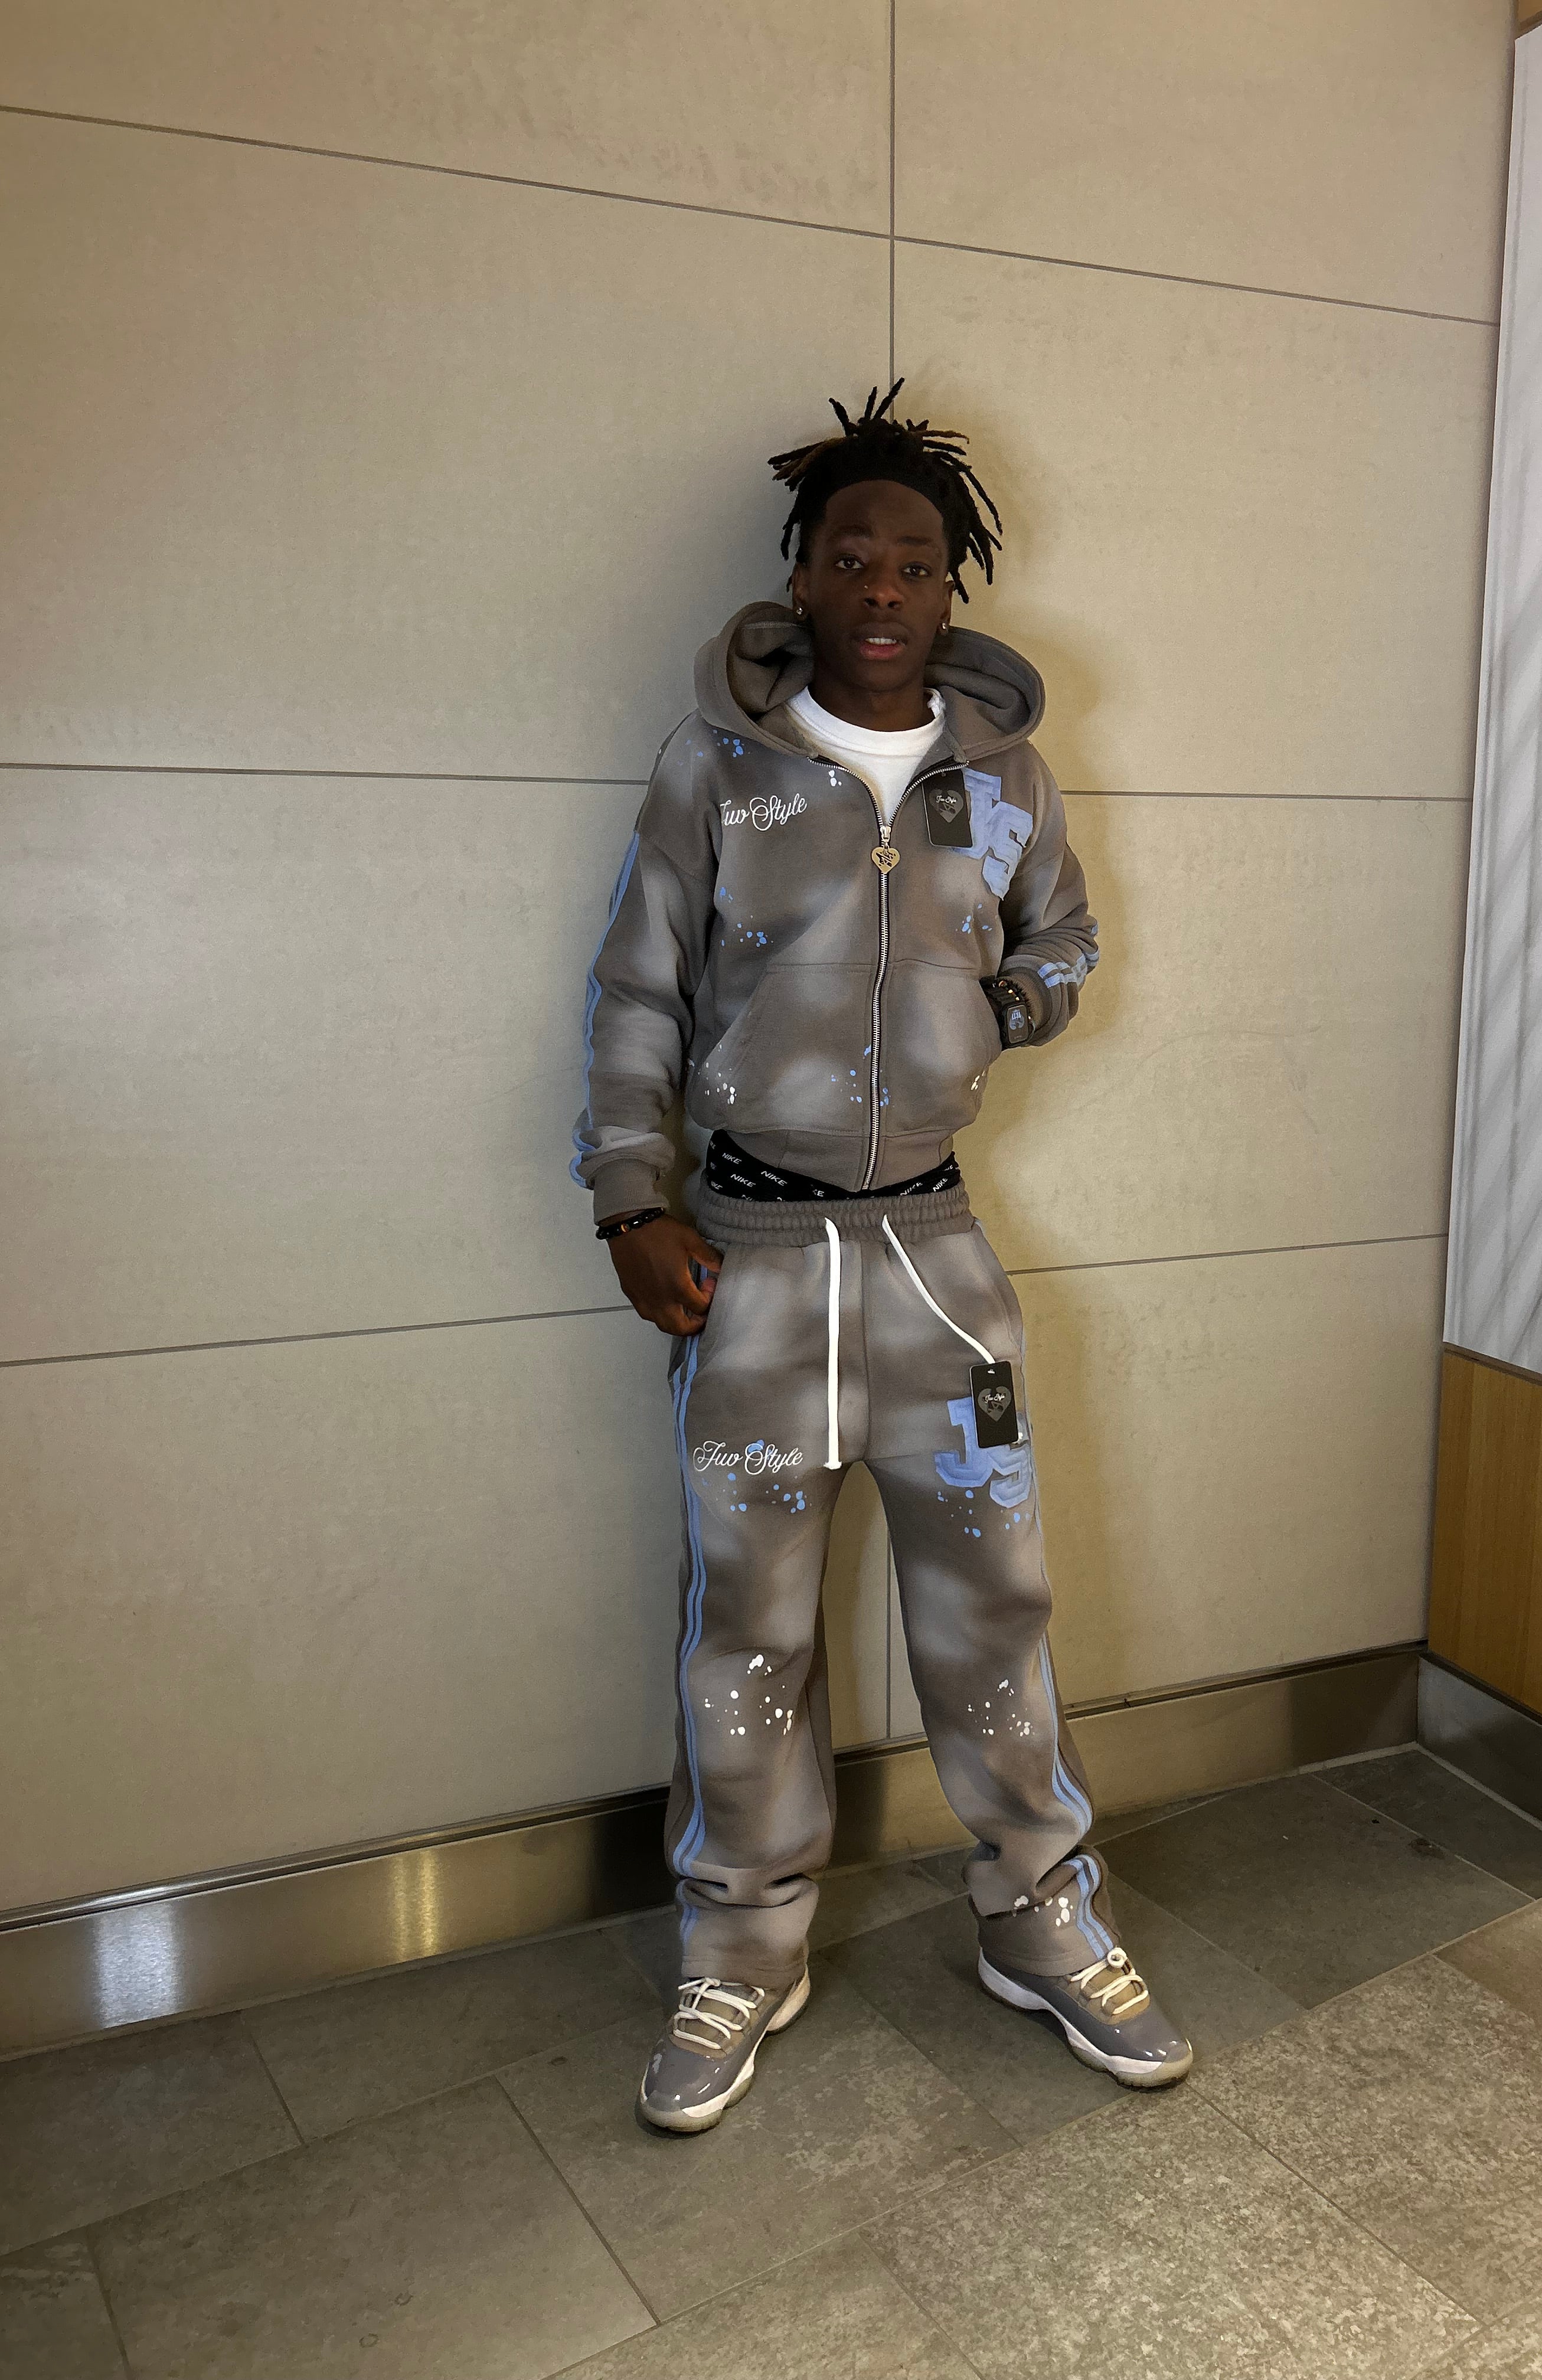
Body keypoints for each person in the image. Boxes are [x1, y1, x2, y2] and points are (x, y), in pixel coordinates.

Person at [574, 385, 1191, 2134]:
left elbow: (1067, 942)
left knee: (995, 1606)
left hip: (935, 1260)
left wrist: (990, 1013)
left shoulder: (1003, 780)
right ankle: (740, 1947)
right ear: (804, 571)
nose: (883, 587)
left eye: (916, 562)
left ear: (949, 587)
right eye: (852, 554)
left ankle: (1040, 1914)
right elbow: (634, 990)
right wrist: (631, 1198)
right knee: (747, 1628)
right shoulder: (717, 769)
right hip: (749, 1263)